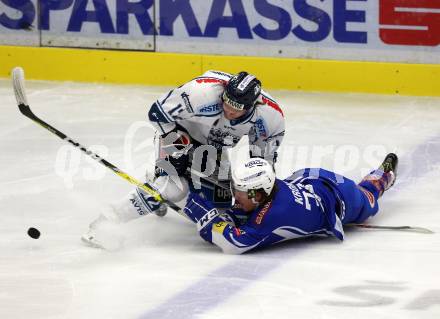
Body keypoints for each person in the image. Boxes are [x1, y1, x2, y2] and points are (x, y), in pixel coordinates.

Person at [81, 70, 285, 248]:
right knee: (173, 188)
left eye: (237, 107)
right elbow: (157, 113)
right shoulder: (200, 93)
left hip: (212, 150)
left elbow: (262, 165)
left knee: (220, 208)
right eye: (227, 102)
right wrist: (176, 147)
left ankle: (154, 178)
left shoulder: (269, 118)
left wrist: (257, 197)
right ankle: (105, 222)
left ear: (252, 105)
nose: (229, 110)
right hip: (181, 135)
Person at [182, 153, 398, 254]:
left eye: (240, 191)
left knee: (369, 195)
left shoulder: (275, 214)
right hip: (307, 176)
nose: (234, 196)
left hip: (343, 196)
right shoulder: (264, 195)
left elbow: (235, 243)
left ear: (258, 194)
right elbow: (239, 215)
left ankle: (383, 175)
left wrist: (200, 213)